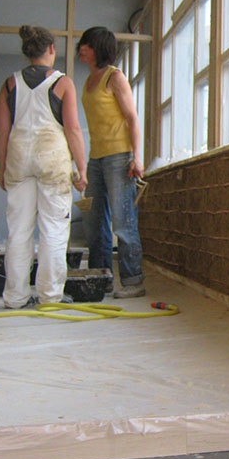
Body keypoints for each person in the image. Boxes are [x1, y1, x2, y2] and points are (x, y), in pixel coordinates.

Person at [0, 25, 88, 309]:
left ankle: (15, 297)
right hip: (52, 159)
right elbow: (72, 128)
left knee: (19, 231)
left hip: (19, 158)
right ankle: (49, 297)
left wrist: (2, 169)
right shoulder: (63, 83)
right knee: (53, 230)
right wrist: (81, 170)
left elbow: (2, 132)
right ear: (51, 50)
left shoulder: (9, 84)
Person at [77, 26, 145, 298]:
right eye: (82, 44)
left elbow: (132, 118)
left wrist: (136, 158)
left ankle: (133, 281)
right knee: (93, 221)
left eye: (88, 45)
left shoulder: (115, 77)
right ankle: (100, 277)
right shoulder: (88, 79)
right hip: (96, 158)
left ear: (100, 49)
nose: (82, 48)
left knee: (122, 222)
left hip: (119, 157)